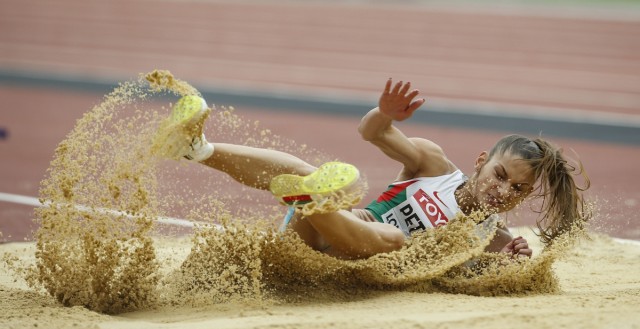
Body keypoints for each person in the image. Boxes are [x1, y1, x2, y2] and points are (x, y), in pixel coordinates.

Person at [158, 79, 589, 260]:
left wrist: (513, 261)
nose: (503, 191)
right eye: (499, 175)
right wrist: (384, 114)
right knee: (319, 175)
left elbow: (486, 280)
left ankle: (317, 200)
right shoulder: (434, 164)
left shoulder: (493, 237)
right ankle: (198, 148)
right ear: (480, 163)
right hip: (325, 237)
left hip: (353, 267)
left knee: (397, 237)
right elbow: (371, 133)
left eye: (517, 189)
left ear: (526, 197)